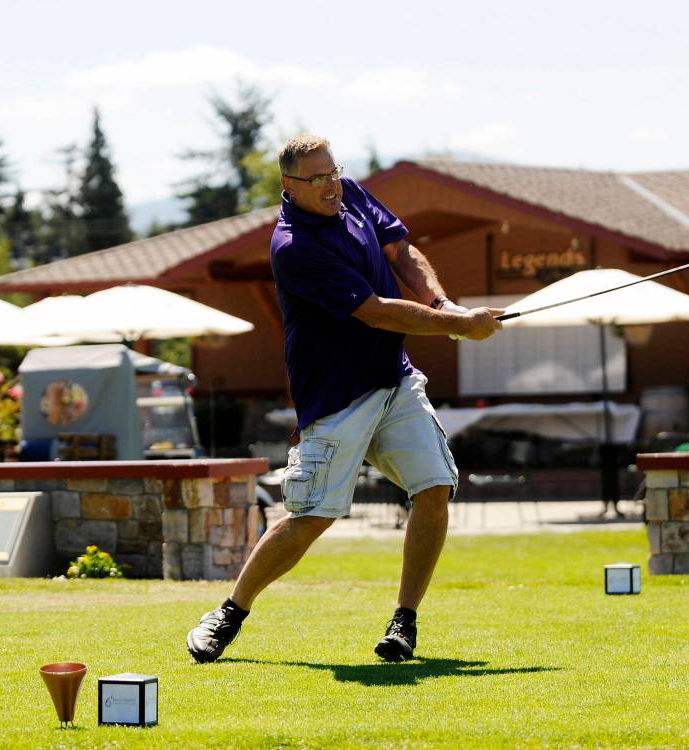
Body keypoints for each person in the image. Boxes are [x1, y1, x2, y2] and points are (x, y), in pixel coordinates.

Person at [187, 134, 503, 664]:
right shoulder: (295, 247)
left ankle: (404, 622)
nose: (332, 184)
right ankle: (230, 611)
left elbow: (400, 251)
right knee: (312, 516)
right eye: (317, 179)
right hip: (337, 399)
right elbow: (377, 311)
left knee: (434, 488)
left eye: (334, 172)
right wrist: (456, 327)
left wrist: (443, 303)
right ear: (289, 186)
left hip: (394, 381)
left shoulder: (350, 193)